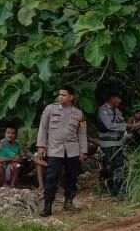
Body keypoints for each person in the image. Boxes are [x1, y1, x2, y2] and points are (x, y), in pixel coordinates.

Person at [37, 86, 88, 217]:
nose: (60, 97)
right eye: (59, 94)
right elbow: (43, 128)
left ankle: (69, 202)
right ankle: (47, 206)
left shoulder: (79, 114)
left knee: (72, 177)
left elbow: (82, 133)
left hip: (73, 150)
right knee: (51, 177)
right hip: (55, 149)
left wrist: (83, 150)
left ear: (71, 97)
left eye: (64, 95)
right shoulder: (50, 109)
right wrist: (41, 146)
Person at [96, 90, 130, 194]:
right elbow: (109, 125)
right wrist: (128, 126)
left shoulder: (117, 111)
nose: (120, 101)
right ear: (112, 98)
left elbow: (122, 122)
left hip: (118, 142)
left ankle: (117, 189)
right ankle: (108, 186)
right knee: (110, 166)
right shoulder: (103, 110)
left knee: (118, 165)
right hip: (108, 143)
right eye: (118, 98)